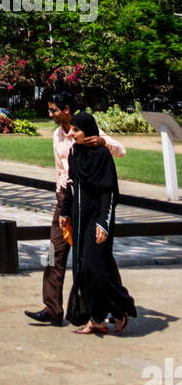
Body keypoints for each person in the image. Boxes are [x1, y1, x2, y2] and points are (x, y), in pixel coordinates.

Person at [24, 90, 125, 326]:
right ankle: (52, 309)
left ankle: (116, 305)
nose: (50, 114)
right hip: (65, 200)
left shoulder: (88, 130)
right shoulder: (57, 136)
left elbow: (121, 151)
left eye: (54, 110)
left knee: (99, 258)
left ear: (66, 109)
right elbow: (61, 169)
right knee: (53, 251)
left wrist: (103, 141)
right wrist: (61, 198)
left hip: (89, 203)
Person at [60, 112, 137, 335]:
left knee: (96, 268)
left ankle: (122, 306)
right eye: (71, 129)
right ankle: (96, 319)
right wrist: (65, 211)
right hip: (80, 218)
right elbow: (71, 184)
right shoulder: (75, 153)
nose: (72, 134)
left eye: (76, 130)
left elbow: (109, 193)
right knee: (82, 269)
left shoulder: (102, 155)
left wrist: (103, 223)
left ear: (89, 131)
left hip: (98, 220)